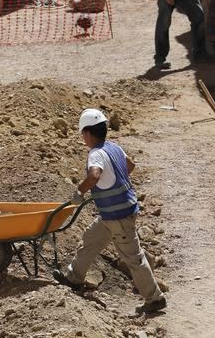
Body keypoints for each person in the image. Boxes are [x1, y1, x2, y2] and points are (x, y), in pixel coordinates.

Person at [53, 109, 166, 315]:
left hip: (118, 216)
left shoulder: (95, 154)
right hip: (114, 214)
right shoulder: (114, 148)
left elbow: (94, 174)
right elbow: (130, 165)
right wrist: (112, 184)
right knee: (91, 238)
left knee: (132, 257)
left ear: (87, 133)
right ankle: (74, 278)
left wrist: (80, 190)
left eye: (82, 134)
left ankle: (155, 298)